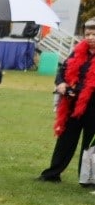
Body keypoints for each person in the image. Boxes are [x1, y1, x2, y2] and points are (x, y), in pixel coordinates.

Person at [39, 17, 95, 182]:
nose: (90, 38)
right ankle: (52, 174)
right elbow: (63, 70)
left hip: (93, 105)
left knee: (90, 143)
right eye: (88, 34)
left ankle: (87, 178)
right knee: (65, 140)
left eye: (94, 34)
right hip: (72, 102)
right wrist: (61, 83)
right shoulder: (78, 51)